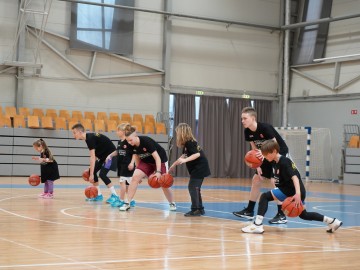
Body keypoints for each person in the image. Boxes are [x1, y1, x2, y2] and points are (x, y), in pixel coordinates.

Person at [241, 140, 342, 234]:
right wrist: (258, 157)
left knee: (264, 197)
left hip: (293, 190)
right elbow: (263, 157)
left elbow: (295, 178)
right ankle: (332, 221)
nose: (265, 156)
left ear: (274, 151)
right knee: (304, 215)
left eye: (266, 154)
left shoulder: (284, 162)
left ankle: (257, 225)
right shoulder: (274, 160)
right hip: (288, 189)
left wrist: (298, 194)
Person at [233, 106, 289, 224]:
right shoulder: (247, 131)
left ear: (253, 118)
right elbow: (254, 148)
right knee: (256, 179)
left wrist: (264, 155)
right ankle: (249, 210)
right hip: (264, 155)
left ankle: (281, 214)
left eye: (245, 118)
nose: (242, 121)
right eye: (241, 119)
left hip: (277, 152)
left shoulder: (265, 128)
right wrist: (257, 165)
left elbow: (274, 145)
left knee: (274, 181)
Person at [119, 124, 176, 211]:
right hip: (146, 162)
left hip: (160, 160)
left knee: (164, 183)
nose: (129, 142)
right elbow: (137, 157)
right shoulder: (130, 145)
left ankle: (172, 203)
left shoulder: (146, 141)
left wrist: (158, 172)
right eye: (128, 141)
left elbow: (157, 158)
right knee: (135, 177)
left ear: (136, 136)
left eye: (131, 140)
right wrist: (139, 172)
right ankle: (127, 203)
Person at [168, 123, 211, 216]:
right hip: (198, 168)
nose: (177, 135)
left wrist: (185, 160)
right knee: (195, 188)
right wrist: (173, 165)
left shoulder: (190, 143)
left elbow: (197, 154)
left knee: (193, 187)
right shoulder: (187, 144)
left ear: (182, 133)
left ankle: (195, 209)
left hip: (200, 168)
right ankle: (200, 208)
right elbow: (183, 156)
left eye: (178, 133)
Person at [71, 123, 119, 203]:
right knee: (91, 172)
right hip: (103, 157)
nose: (73, 135)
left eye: (74, 133)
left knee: (102, 175)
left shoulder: (90, 139)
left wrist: (92, 174)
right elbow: (95, 155)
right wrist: (91, 170)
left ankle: (115, 196)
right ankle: (98, 195)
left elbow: (92, 157)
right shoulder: (89, 138)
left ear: (80, 132)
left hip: (111, 157)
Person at [106, 123, 136, 208]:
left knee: (122, 183)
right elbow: (117, 151)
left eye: (118, 130)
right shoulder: (119, 142)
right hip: (121, 165)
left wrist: (132, 163)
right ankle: (131, 200)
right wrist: (110, 155)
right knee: (127, 185)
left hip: (127, 166)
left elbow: (134, 153)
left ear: (123, 132)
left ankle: (121, 200)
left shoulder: (128, 141)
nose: (116, 132)